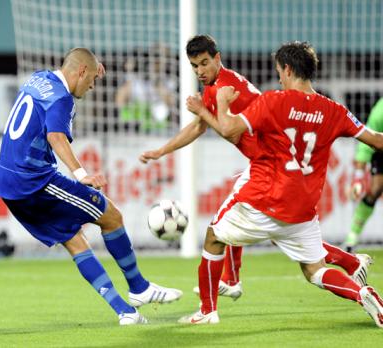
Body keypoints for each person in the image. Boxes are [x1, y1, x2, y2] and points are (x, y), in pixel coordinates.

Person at [140, 35, 372, 300]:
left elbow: (230, 133)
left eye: (204, 63)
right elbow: (199, 127)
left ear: (217, 58)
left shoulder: (226, 88)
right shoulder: (216, 85)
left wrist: (202, 111)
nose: (199, 71)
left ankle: (223, 292)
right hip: (266, 162)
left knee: (233, 222)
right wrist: (162, 150)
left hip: (271, 165)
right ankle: (348, 264)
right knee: (266, 227)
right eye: (194, 66)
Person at [0, 48, 182, 326]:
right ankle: (140, 288)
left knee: (74, 239)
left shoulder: (39, 79)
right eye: (91, 79)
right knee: (111, 216)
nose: (93, 86)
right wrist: (81, 174)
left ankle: (126, 312)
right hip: (34, 182)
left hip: (8, 183)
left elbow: (73, 68)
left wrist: (92, 66)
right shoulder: (62, 99)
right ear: (81, 72)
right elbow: (56, 136)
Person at [344, 97, 383, 253]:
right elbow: (366, 144)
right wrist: (358, 177)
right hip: (382, 146)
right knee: (375, 189)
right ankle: (353, 235)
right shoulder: (379, 112)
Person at [115, 46, 177, 132]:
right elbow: (119, 102)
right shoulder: (135, 79)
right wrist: (132, 70)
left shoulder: (169, 80)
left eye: (159, 60)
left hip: (158, 122)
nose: (156, 62)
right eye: (155, 59)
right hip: (137, 120)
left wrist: (156, 82)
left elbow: (171, 103)